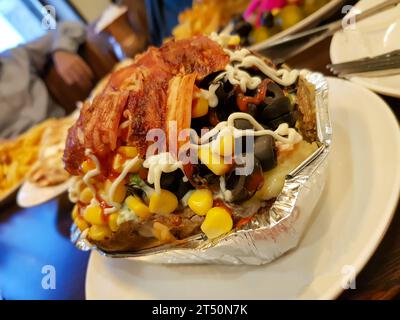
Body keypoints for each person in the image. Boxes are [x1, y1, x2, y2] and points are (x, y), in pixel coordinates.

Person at [0, 21, 94, 139]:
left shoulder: (16, 56)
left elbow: (69, 27)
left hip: (63, 130)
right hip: (18, 154)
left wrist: (61, 50)